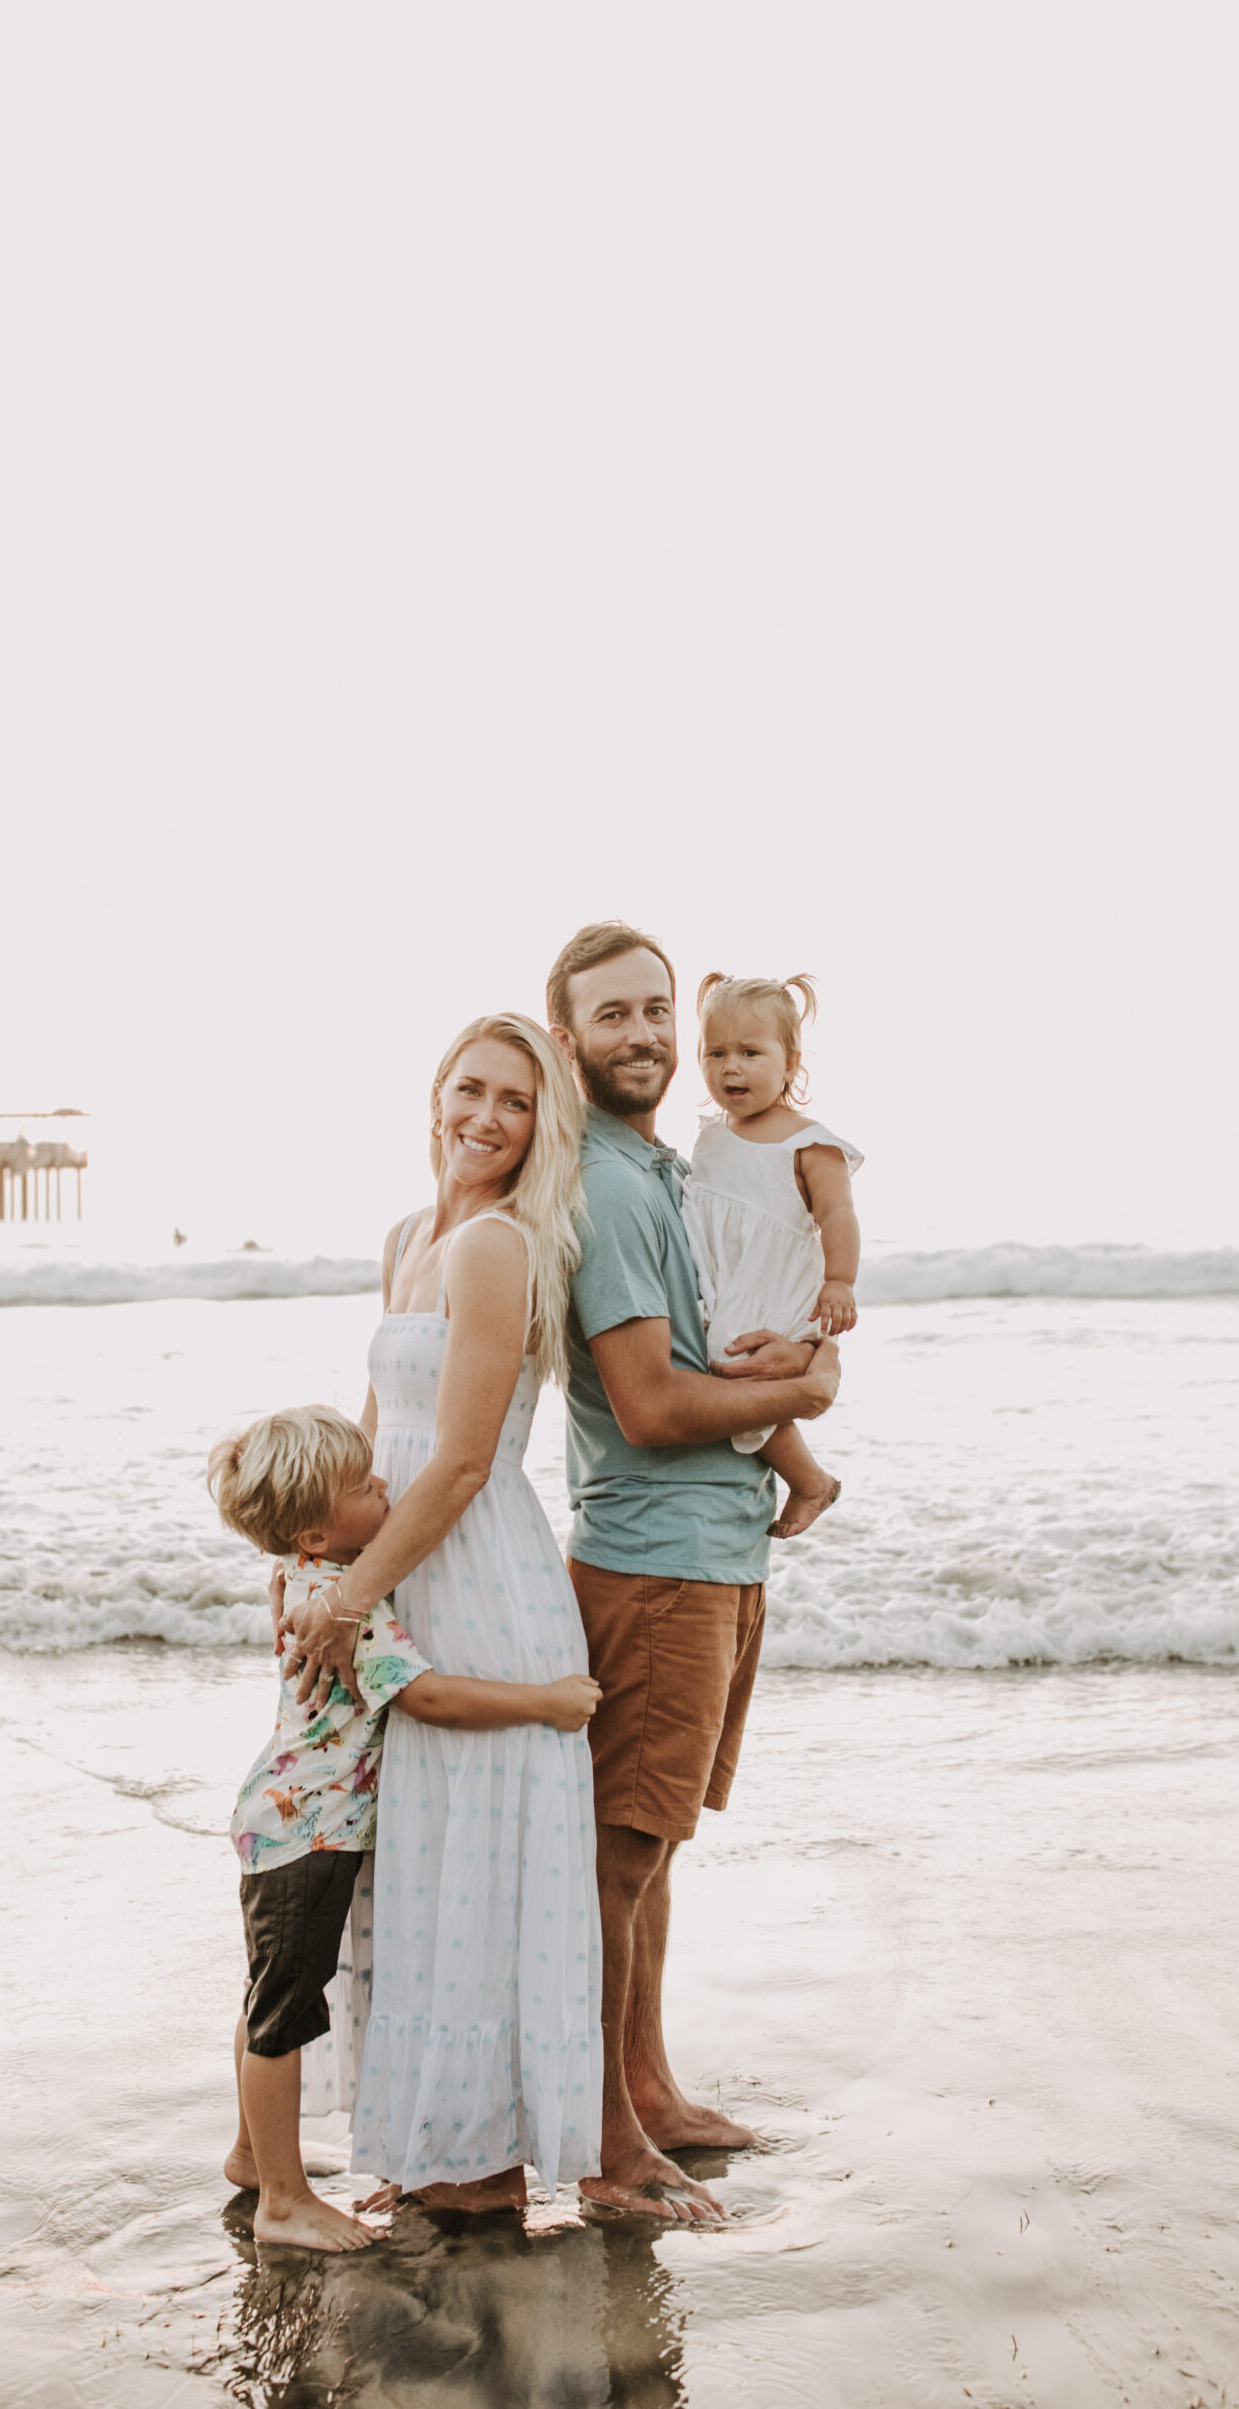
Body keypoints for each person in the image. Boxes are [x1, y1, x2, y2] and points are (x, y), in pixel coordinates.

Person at [282, 1014, 603, 2214]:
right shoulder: (408, 1236)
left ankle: (481, 2170)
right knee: (413, 1873)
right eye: (470, 1088)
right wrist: (312, 1564)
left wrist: (355, 1596)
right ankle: (430, 2151)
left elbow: (463, 1461)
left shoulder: (497, 1249)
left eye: (515, 1101)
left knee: (474, 1873)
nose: (485, 1115)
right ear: (435, 1092)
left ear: (539, 1128)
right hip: (398, 1567)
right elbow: (374, 1438)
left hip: (480, 1581)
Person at [545, 920, 842, 2219]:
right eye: (611, 1016)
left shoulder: (664, 1168)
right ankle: (611, 2145)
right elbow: (654, 1404)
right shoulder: (608, 1187)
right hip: (655, 1564)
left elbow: (734, 1353)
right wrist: (796, 1389)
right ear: (567, 1037)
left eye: (655, 1011)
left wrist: (799, 1378)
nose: (645, 1037)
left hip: (715, 1552)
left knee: (652, 1851)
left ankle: (650, 2090)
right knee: (619, 1856)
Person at [210, 1403, 599, 2253]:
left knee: (268, 1996)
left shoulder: (310, 1581)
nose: (384, 1482)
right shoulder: (348, 1612)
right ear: (315, 1533)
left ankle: (251, 2156)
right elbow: (426, 1698)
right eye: (363, 1484)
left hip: (282, 1823)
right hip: (307, 1834)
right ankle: (282, 2198)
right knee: (283, 2009)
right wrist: (547, 1703)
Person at [681, 969, 863, 1540]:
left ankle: (810, 1479)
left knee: (734, 1368)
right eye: (716, 1052)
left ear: (790, 1062)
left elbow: (837, 1215)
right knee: (724, 1368)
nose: (730, 1067)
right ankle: (808, 1478)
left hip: (771, 1283)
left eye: (750, 1052)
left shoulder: (807, 1141)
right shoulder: (711, 1135)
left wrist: (840, 1281)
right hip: (722, 1281)